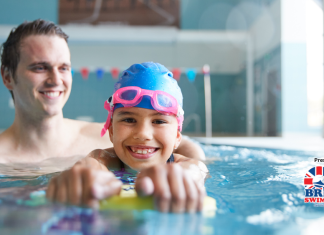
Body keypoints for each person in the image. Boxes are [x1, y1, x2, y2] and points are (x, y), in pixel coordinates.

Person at [0, 19, 205, 164]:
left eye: (63, 68)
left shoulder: (100, 136)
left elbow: (184, 145)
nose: (56, 80)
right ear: (8, 77)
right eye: (40, 68)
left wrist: (193, 170)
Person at [47, 62, 208, 213]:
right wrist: (85, 175)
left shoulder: (185, 164)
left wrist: (185, 177)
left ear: (177, 137)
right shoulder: (104, 159)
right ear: (111, 131)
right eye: (129, 120)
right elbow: (93, 165)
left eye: (159, 121)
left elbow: (196, 169)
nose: (143, 134)